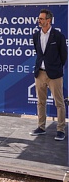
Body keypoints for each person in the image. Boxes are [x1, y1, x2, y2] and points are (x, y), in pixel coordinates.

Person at [30, 9, 67, 141]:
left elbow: (64, 56)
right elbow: (39, 53)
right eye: (39, 18)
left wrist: (56, 68)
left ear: (48, 20)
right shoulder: (36, 35)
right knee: (41, 102)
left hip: (54, 75)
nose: (39, 20)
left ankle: (61, 129)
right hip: (40, 73)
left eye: (41, 18)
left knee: (59, 103)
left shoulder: (58, 36)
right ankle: (41, 127)